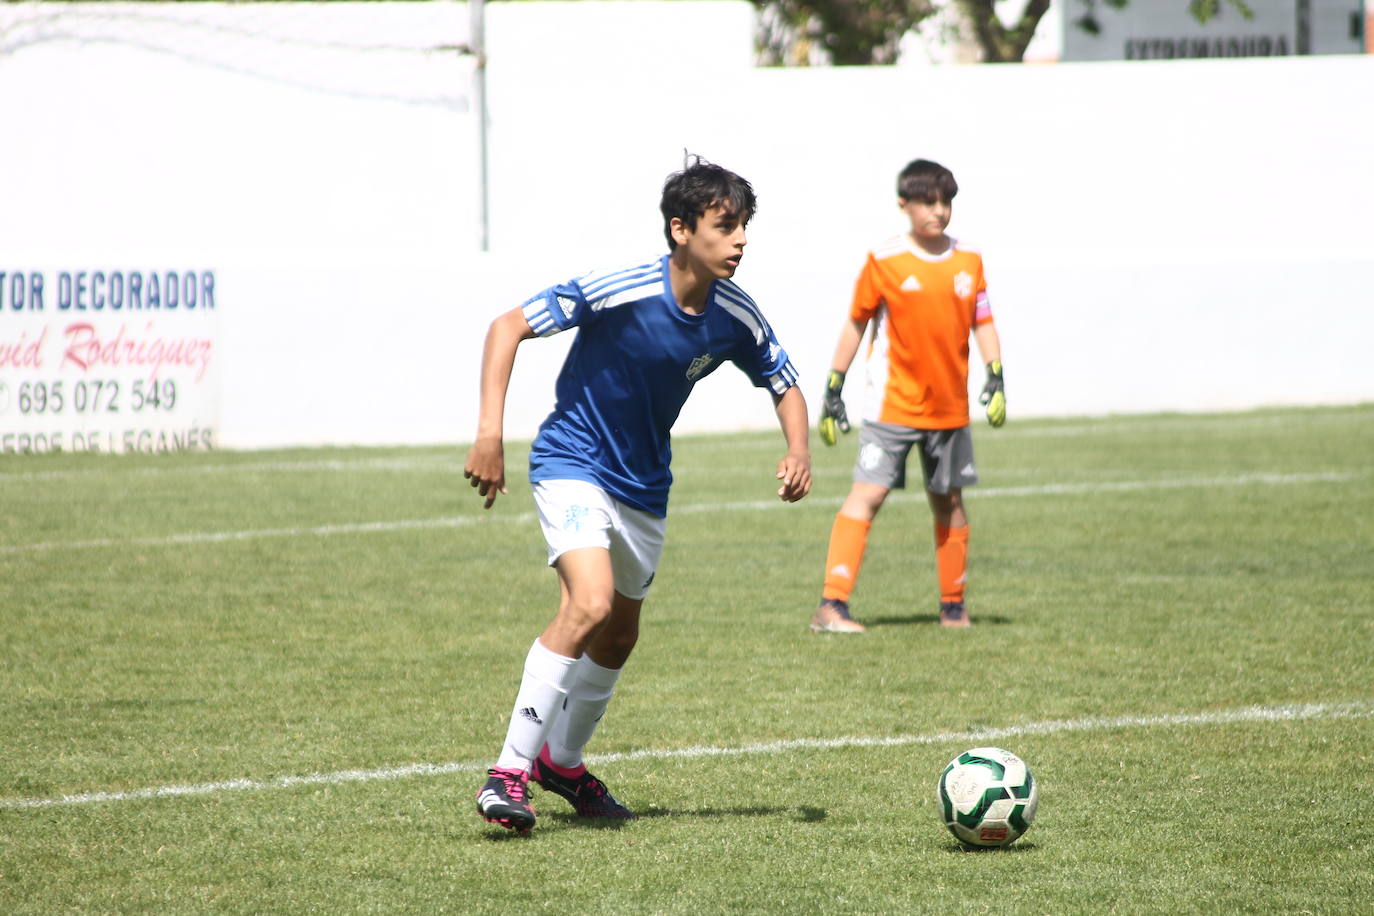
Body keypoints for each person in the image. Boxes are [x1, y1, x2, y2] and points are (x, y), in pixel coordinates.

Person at [464, 157, 813, 833]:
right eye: (725, 226)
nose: (740, 240)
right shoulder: (620, 288)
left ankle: (562, 764)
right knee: (589, 603)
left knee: (620, 633)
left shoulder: (734, 312)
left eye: (744, 226)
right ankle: (508, 772)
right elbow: (507, 327)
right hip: (572, 461)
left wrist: (798, 449)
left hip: (645, 483)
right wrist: (488, 433)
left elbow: (784, 380)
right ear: (681, 229)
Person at [809, 158, 1004, 634]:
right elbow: (856, 323)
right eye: (928, 202)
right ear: (904, 205)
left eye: (946, 201)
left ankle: (953, 606)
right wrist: (834, 384)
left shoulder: (969, 259)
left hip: (949, 408)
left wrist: (996, 374)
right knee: (868, 494)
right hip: (891, 405)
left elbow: (982, 320)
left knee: (949, 500)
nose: (939, 211)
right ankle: (831, 605)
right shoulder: (885, 259)